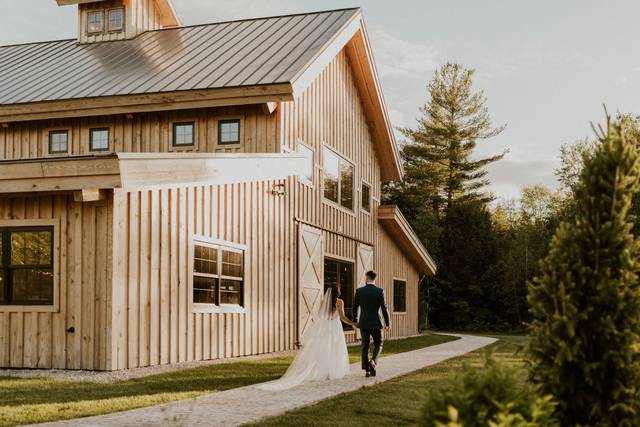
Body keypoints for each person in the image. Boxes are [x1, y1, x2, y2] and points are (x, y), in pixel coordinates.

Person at [257, 287, 357, 390]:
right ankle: (334, 371)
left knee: (325, 349)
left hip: (327, 327)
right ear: (338, 292)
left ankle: (325, 371)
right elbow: (342, 317)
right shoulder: (340, 302)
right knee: (335, 349)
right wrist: (353, 324)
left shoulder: (324, 301)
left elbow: (321, 315)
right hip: (335, 327)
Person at [354, 270, 390, 377]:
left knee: (365, 346)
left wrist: (355, 321)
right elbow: (384, 308)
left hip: (363, 323)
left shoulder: (359, 291)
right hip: (375, 323)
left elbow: (354, 307)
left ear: (367, 277)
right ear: (375, 278)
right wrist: (388, 323)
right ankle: (373, 361)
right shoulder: (380, 291)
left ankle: (367, 371)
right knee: (379, 343)